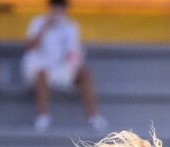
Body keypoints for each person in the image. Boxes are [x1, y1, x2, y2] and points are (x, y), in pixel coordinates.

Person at [23, 0, 108, 133]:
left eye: (61, 7)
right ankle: (43, 117)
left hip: (62, 68)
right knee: (41, 73)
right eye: (55, 6)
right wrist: (45, 27)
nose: (58, 10)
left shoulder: (71, 26)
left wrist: (71, 66)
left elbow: (73, 51)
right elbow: (29, 46)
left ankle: (94, 117)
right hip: (39, 66)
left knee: (85, 73)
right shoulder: (37, 22)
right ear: (50, 7)